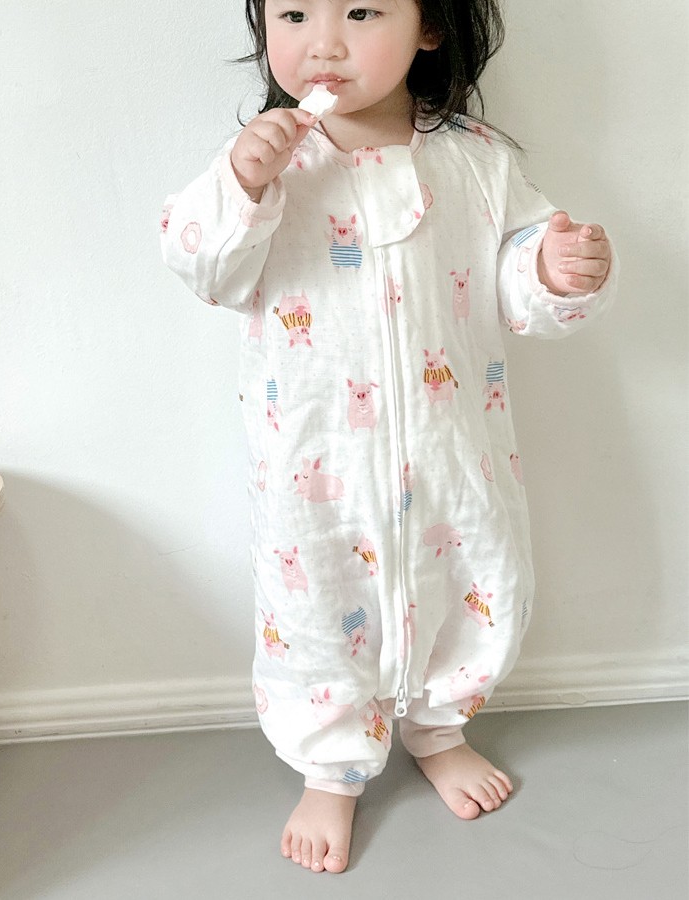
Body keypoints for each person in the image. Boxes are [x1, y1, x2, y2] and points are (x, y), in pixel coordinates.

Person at [160, 0, 617, 875]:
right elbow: (206, 268)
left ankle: (440, 728)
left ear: (430, 27)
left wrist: (554, 269)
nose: (323, 42)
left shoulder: (477, 161)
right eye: (295, 13)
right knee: (313, 611)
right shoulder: (269, 163)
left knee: (481, 582)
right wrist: (241, 186)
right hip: (315, 466)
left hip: (456, 457)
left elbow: (518, 283)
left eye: (362, 10)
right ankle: (330, 768)